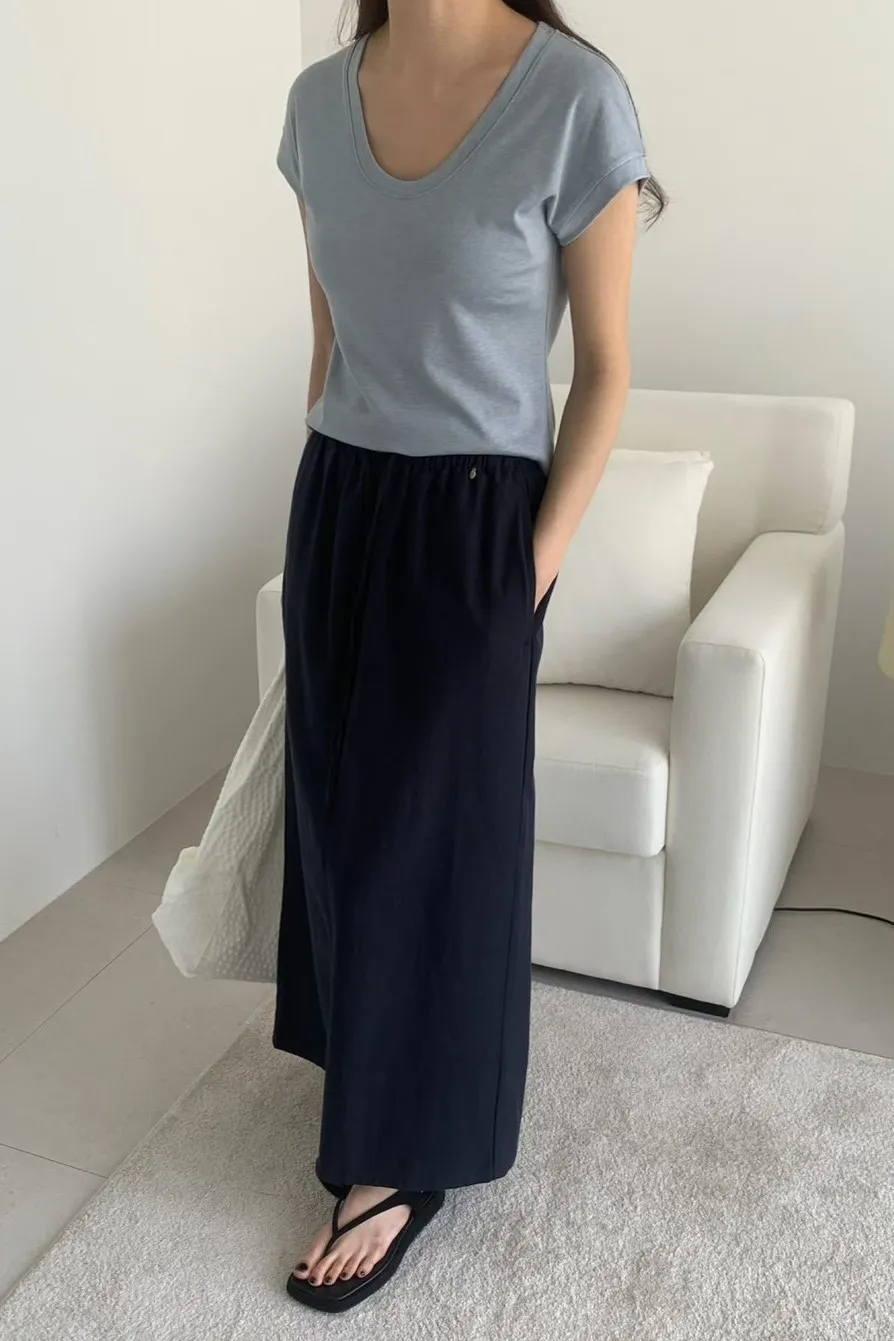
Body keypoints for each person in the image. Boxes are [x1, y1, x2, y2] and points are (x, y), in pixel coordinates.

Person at [274, 0, 665, 1313]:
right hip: (340, 492)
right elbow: (329, 342)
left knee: (435, 841)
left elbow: (606, 371)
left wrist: (527, 569)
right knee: (338, 820)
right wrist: (318, 496)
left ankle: (404, 1154)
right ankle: (364, 1079)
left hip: (477, 518)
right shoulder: (317, 104)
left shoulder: (574, 98)